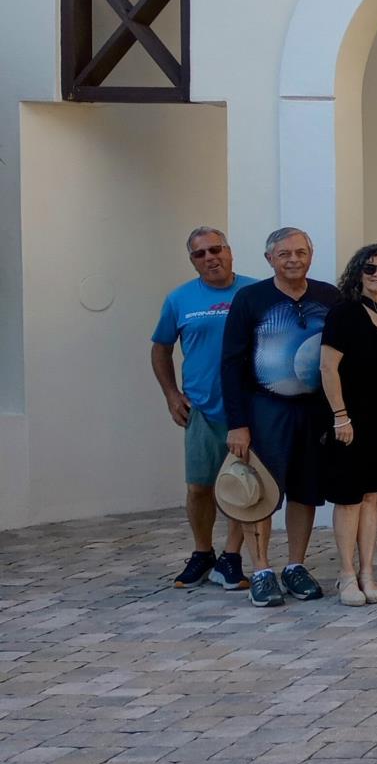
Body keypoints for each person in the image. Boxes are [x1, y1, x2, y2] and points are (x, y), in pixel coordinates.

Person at [220, 227, 339, 608]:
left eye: (300, 252)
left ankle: (295, 566)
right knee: (260, 492)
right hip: (264, 410)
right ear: (270, 258)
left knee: (305, 491)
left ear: (311, 254)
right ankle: (262, 570)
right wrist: (238, 424)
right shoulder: (250, 299)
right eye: (284, 253)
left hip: (314, 411)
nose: (293, 259)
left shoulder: (328, 297)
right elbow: (231, 364)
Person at [151, 226, 251, 591]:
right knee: (199, 488)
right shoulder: (180, 300)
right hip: (202, 411)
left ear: (229, 251)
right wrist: (171, 395)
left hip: (248, 410)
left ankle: (232, 557)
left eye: (216, 249)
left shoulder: (255, 292)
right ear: (192, 261)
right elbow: (160, 348)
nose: (210, 258)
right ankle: (202, 552)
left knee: (245, 487)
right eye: (200, 254)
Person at [318, 243, 377, 605]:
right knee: (349, 498)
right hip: (348, 417)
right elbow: (328, 368)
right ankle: (345, 574)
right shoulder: (344, 314)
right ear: (358, 273)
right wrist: (340, 415)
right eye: (370, 268)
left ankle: (368, 571)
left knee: (372, 497)